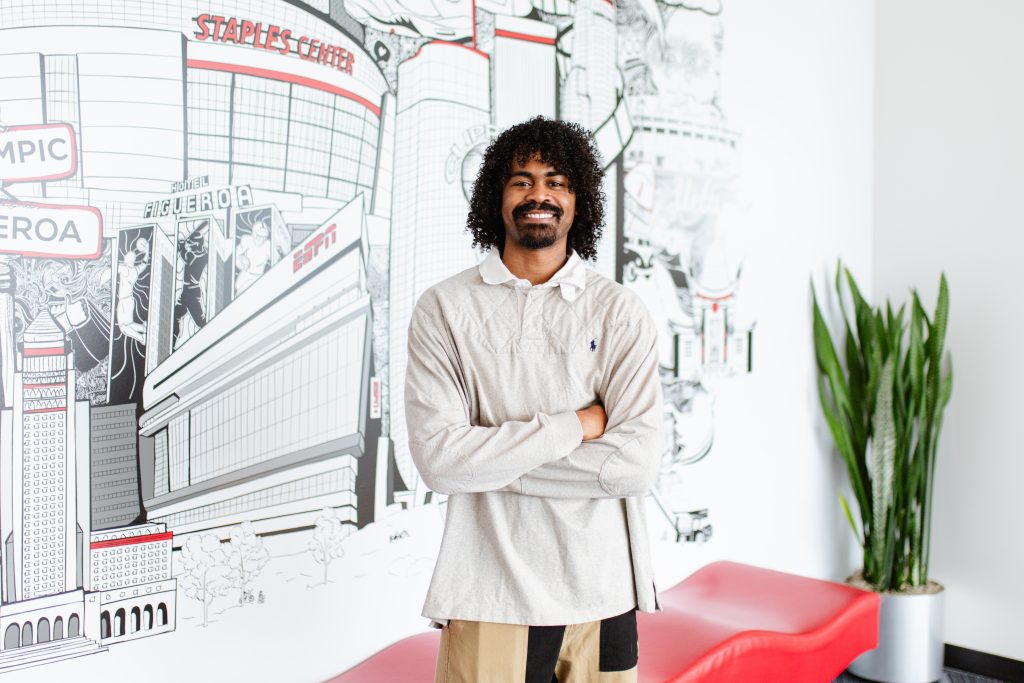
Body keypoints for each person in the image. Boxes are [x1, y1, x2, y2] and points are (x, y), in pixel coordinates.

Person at [404, 116, 665, 682]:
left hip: (604, 588)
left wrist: (490, 462)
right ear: (496, 196)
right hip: (488, 590)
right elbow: (440, 462)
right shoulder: (445, 308)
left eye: (556, 181)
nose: (539, 194)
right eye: (521, 180)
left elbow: (635, 465)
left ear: (579, 201)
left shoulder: (618, 310)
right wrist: (575, 424)